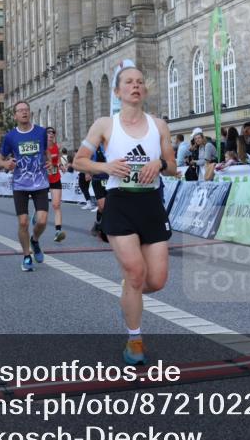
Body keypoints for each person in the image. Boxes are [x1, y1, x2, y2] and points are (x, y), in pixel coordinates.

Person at [73, 65, 178, 365]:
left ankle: (129, 292)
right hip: (120, 203)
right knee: (135, 273)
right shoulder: (105, 125)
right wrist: (106, 167)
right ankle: (134, 340)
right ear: (117, 92)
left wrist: (158, 164)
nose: (135, 86)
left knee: (155, 280)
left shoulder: (158, 126)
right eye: (129, 82)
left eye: (140, 82)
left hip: (150, 204)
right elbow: (79, 162)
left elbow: (174, 167)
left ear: (144, 91)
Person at [0, 100, 50, 272]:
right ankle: (26, 256)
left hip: (40, 182)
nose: (24, 113)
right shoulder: (10, 137)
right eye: (20, 110)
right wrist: (5, 165)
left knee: (41, 221)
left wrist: (50, 163)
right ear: (15, 115)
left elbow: (47, 153)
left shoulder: (41, 132)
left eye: (26, 110)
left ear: (30, 113)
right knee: (24, 222)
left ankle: (35, 240)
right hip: (20, 184)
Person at [44, 127, 67, 242]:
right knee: (42, 207)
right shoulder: (42, 147)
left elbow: (57, 160)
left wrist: (61, 165)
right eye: (48, 132)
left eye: (53, 132)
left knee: (56, 205)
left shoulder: (56, 147)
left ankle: (58, 232)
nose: (51, 134)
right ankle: (36, 214)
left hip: (55, 178)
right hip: (43, 179)